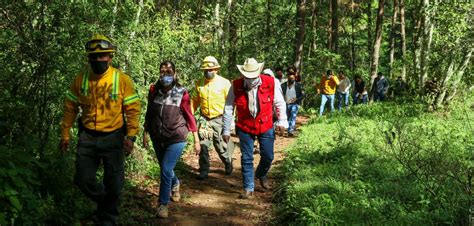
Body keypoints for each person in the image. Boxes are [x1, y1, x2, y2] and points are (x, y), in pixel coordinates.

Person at [59, 34, 141, 225]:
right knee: (82, 179)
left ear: (110, 57)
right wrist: (65, 135)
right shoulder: (81, 79)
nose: (97, 60)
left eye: (102, 56)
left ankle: (107, 220)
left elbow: (133, 111)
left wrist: (131, 137)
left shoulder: (122, 80)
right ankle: (106, 204)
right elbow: (70, 108)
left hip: (113, 137)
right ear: (88, 58)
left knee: (114, 183)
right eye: (93, 56)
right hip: (87, 137)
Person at [222, 58, 288, 199]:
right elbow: (228, 107)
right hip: (245, 126)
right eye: (247, 77)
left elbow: (279, 102)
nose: (250, 80)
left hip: (266, 125)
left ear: (258, 73)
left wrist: (282, 121)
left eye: (253, 76)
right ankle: (248, 187)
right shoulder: (236, 85)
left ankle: (261, 174)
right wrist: (226, 129)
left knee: (268, 156)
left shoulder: (272, 82)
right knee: (247, 157)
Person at [142, 61, 200, 218]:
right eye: (162, 72)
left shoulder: (182, 93)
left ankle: (163, 204)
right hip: (157, 136)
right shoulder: (154, 90)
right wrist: (145, 132)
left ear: (175, 74)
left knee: (166, 169)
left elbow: (189, 116)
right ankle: (175, 183)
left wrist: (196, 139)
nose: (165, 75)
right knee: (165, 168)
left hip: (176, 137)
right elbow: (149, 112)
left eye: (168, 72)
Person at [192, 56, 235, 180]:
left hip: (220, 119)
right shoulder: (199, 83)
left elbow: (232, 102)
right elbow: (194, 101)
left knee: (220, 145)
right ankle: (204, 169)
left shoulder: (225, 83)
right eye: (205, 70)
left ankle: (227, 161)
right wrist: (190, 115)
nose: (207, 72)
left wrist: (232, 120)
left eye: (210, 69)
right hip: (205, 119)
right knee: (203, 144)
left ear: (216, 69)